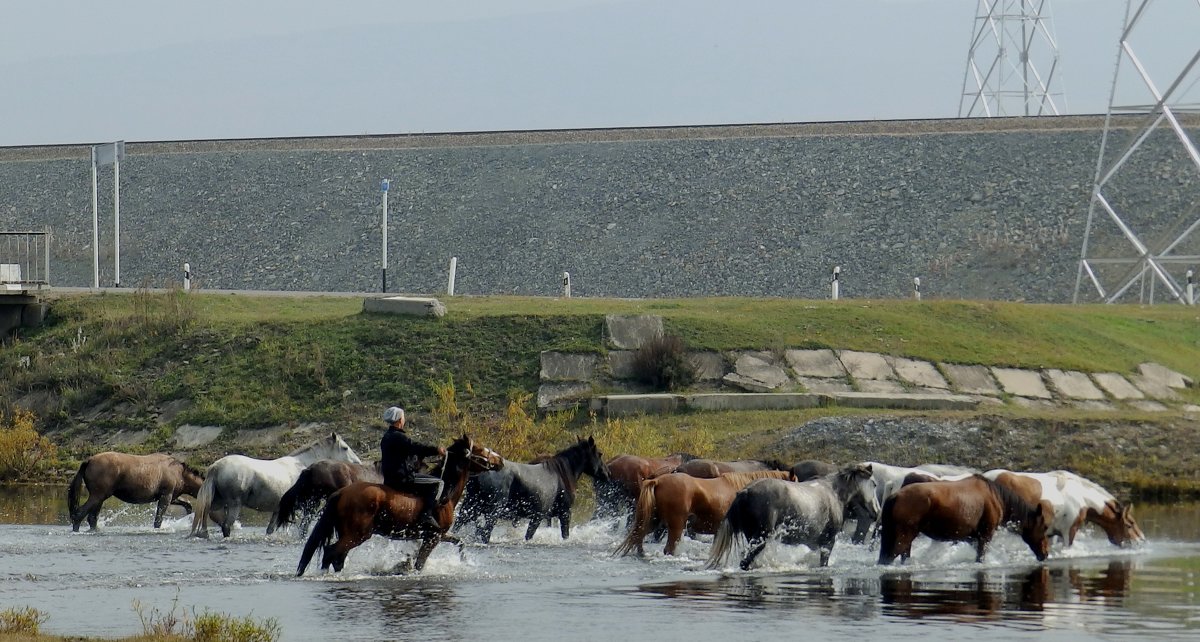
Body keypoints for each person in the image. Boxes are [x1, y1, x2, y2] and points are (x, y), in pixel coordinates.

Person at [379, 406, 446, 531]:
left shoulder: (386, 437)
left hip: (389, 478)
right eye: (403, 417)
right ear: (399, 420)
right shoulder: (400, 437)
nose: (404, 420)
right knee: (438, 483)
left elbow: (404, 453)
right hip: (402, 478)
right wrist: (436, 450)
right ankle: (426, 515)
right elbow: (416, 447)